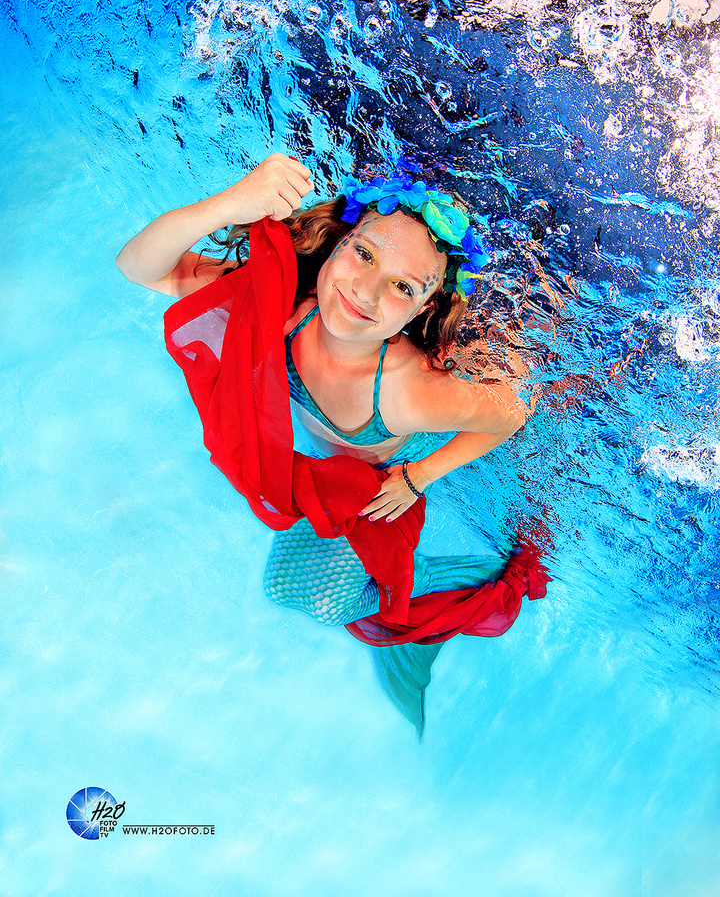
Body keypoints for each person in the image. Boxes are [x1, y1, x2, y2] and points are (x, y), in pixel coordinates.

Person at [117, 152, 546, 734]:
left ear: (424, 308)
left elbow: (513, 414)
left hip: (372, 489)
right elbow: (141, 267)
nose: (366, 291)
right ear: (338, 244)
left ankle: (445, 587)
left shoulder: (407, 392)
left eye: (402, 287)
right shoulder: (285, 305)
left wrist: (420, 475)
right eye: (364, 254)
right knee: (293, 584)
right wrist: (229, 206)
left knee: (297, 588)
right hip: (325, 462)